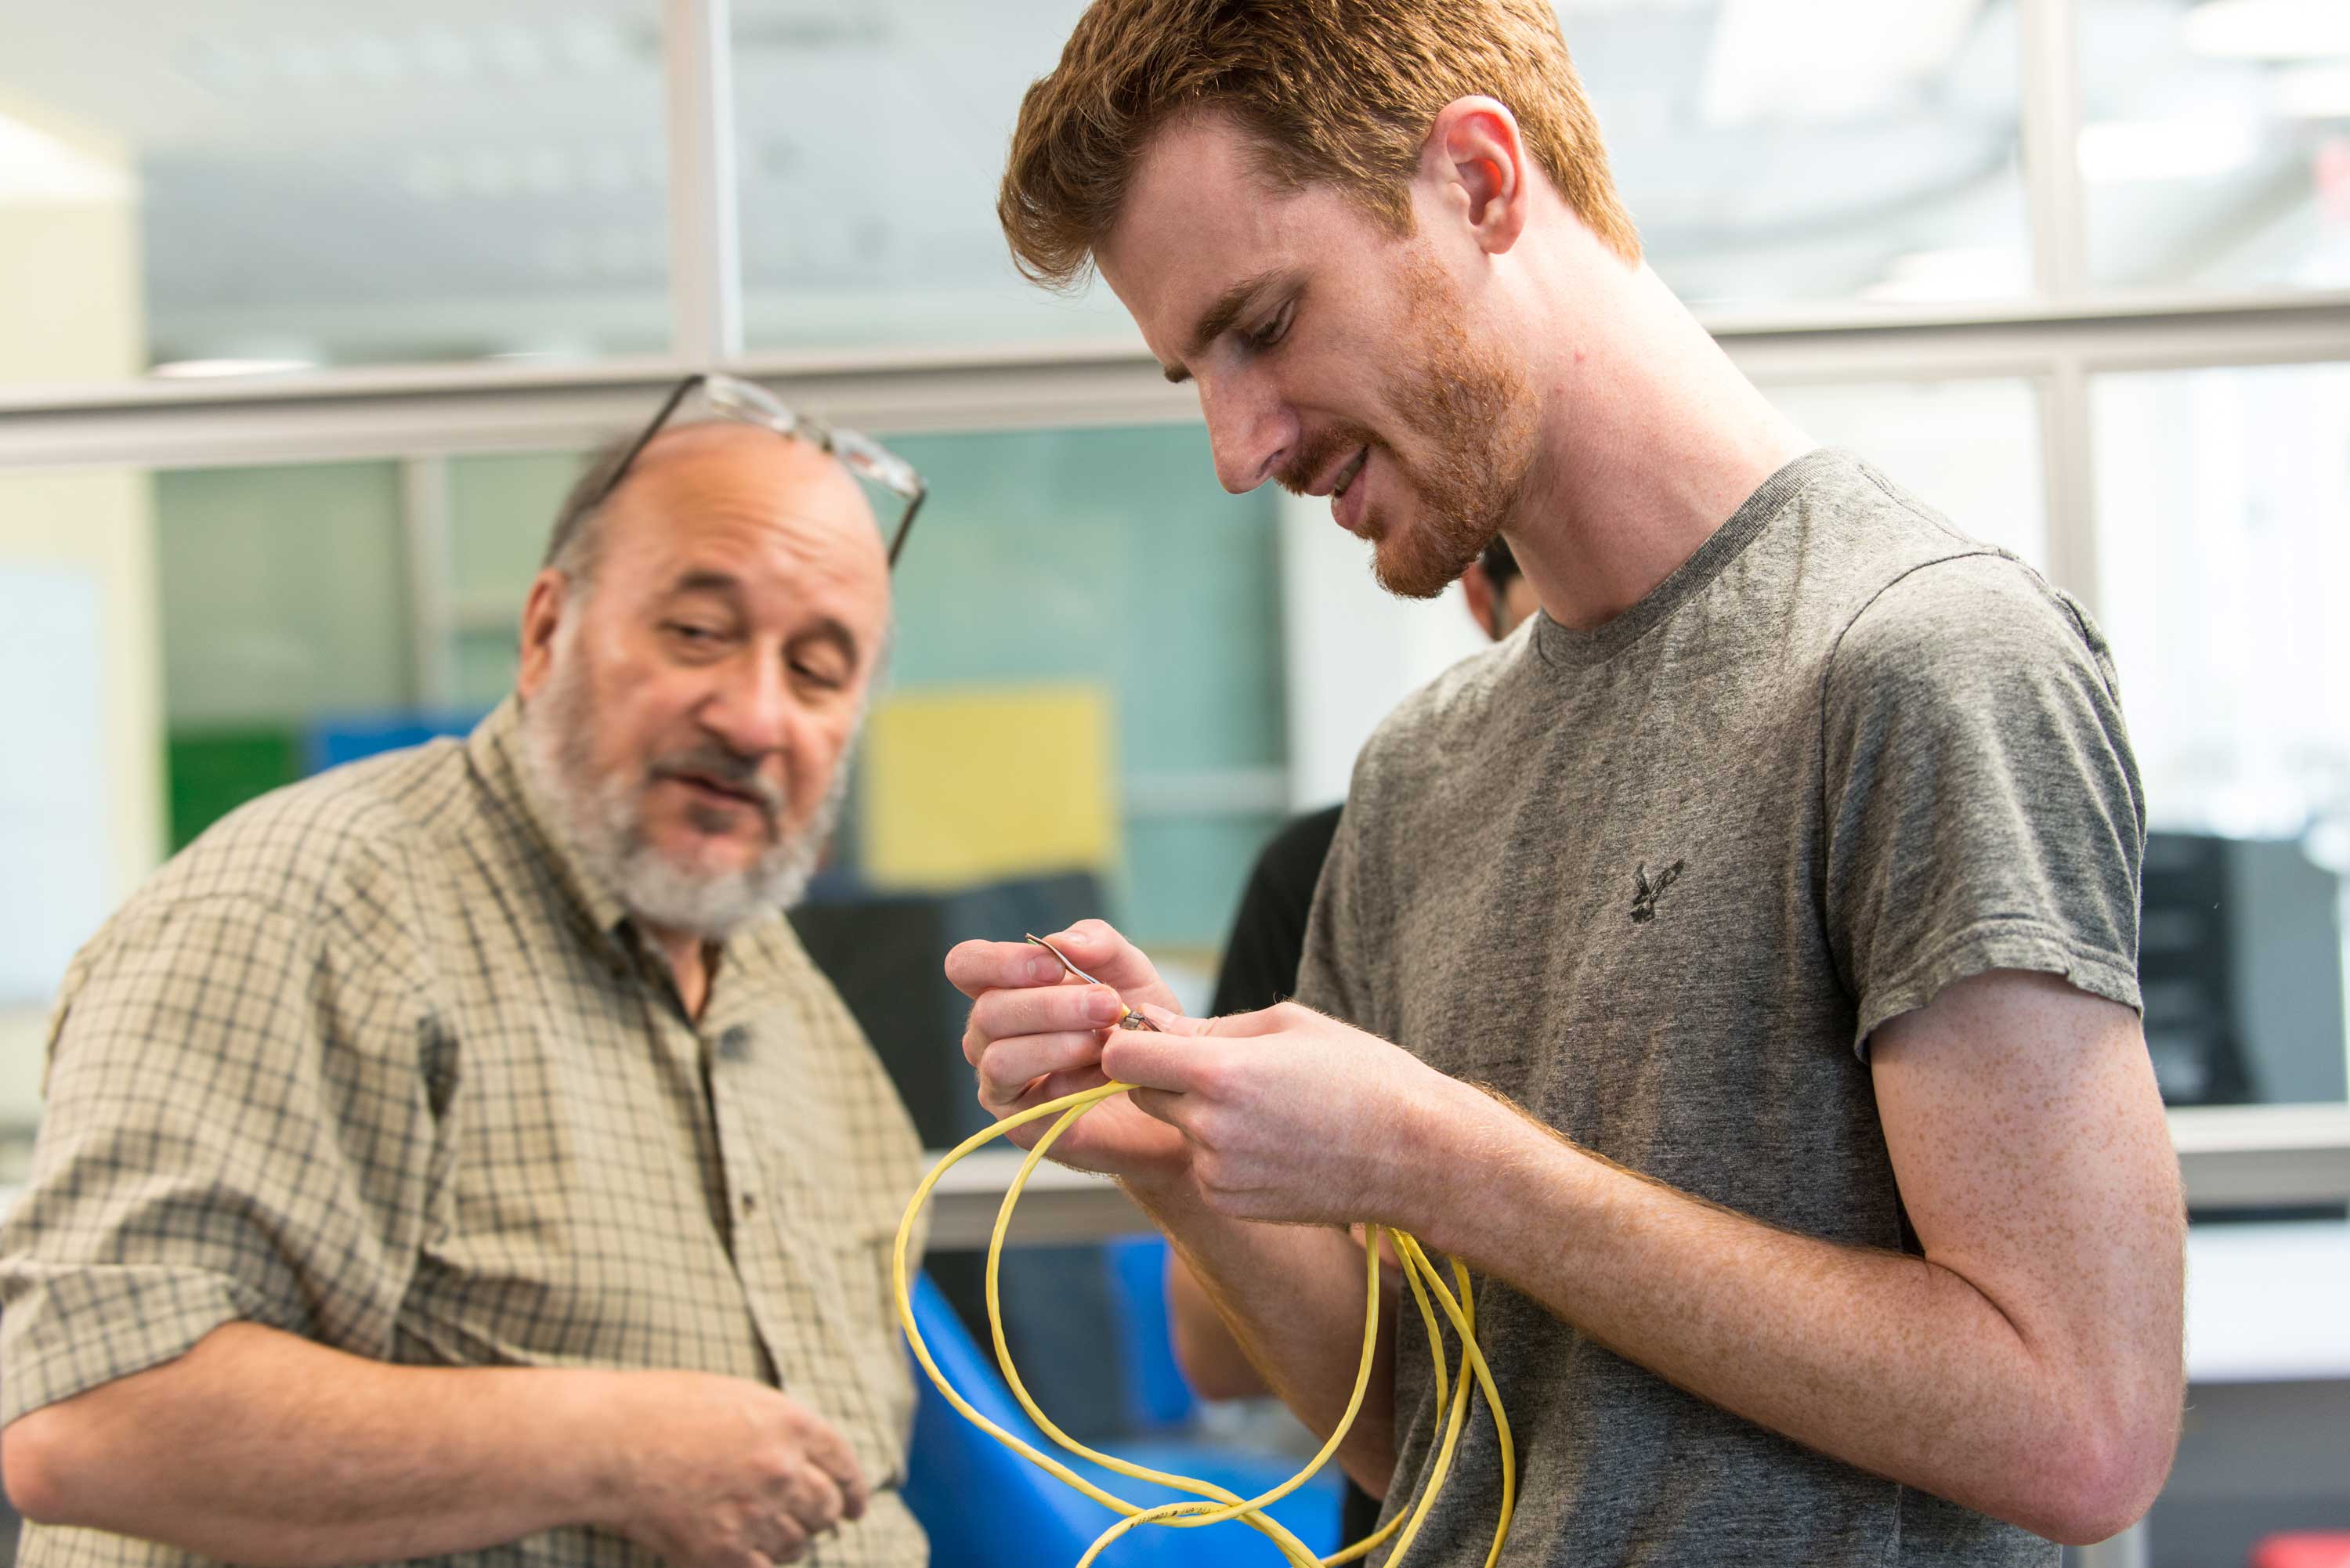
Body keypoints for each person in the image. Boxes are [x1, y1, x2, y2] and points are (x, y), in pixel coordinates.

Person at [951, 3, 2186, 1565]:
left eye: (1262, 323)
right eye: (1193, 369)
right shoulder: (1421, 775)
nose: (1235, 447)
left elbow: (2080, 1428)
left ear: (1477, 180)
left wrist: (1447, 1158)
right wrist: (1186, 1163)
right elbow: (1425, 1439)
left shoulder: (1924, 661)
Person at [0, 379, 932, 1568]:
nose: (755, 716)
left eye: (815, 670)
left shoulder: (788, 1002)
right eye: (697, 632)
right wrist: (611, 1446)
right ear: (547, 630)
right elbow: (94, 1418)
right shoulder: (311, 905)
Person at [1177, 536, 1539, 1543]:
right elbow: (1216, 1353)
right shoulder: (1334, 864)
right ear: (1482, 599)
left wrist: (1426, 1174)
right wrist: (1182, 1157)